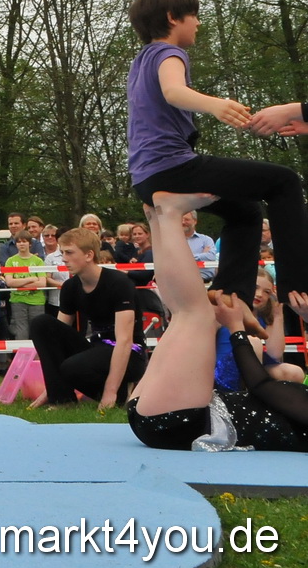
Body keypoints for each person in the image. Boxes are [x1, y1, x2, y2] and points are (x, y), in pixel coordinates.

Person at [125, 0, 307, 306]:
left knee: (245, 212)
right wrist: (216, 105)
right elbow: (173, 91)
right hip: (173, 167)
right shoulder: (169, 53)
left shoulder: (140, 62)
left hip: (145, 176)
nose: (198, 23)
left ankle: (229, 295)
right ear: (172, 17)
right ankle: (298, 286)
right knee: (284, 181)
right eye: (194, 15)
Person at [127, 194, 308, 453]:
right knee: (186, 312)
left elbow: (260, 384)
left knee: (197, 313)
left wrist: (236, 329)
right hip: (169, 415)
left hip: (178, 420)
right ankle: (158, 218)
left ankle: (169, 216)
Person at [27, 227, 146, 410]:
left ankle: (119, 393)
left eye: (69, 253)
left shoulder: (119, 283)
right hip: (97, 347)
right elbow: (56, 335)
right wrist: (52, 387)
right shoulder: (70, 287)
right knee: (42, 323)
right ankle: (61, 399)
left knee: (72, 366)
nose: (64, 258)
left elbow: (124, 341)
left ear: (89, 255)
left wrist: (110, 391)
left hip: (130, 353)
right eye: (62, 252)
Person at [2, 231, 48, 342]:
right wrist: (31, 279)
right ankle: (23, 353)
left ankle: (38, 353)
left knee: (38, 330)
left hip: (37, 301)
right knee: (21, 331)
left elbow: (42, 283)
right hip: (17, 300)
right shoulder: (10, 261)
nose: (21, 244)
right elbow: (9, 282)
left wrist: (19, 283)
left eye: (24, 241)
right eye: (18, 242)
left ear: (30, 244)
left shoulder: (38, 261)